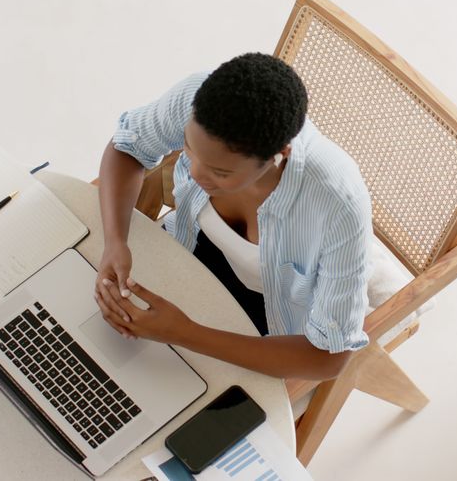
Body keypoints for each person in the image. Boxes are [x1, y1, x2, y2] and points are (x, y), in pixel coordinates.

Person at [94, 53, 371, 381]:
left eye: (220, 172)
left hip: (263, 329)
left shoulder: (338, 203)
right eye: (188, 149)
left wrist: (184, 333)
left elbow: (328, 359)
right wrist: (115, 242)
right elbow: (128, 147)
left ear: (277, 156)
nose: (194, 173)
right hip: (182, 256)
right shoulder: (200, 95)